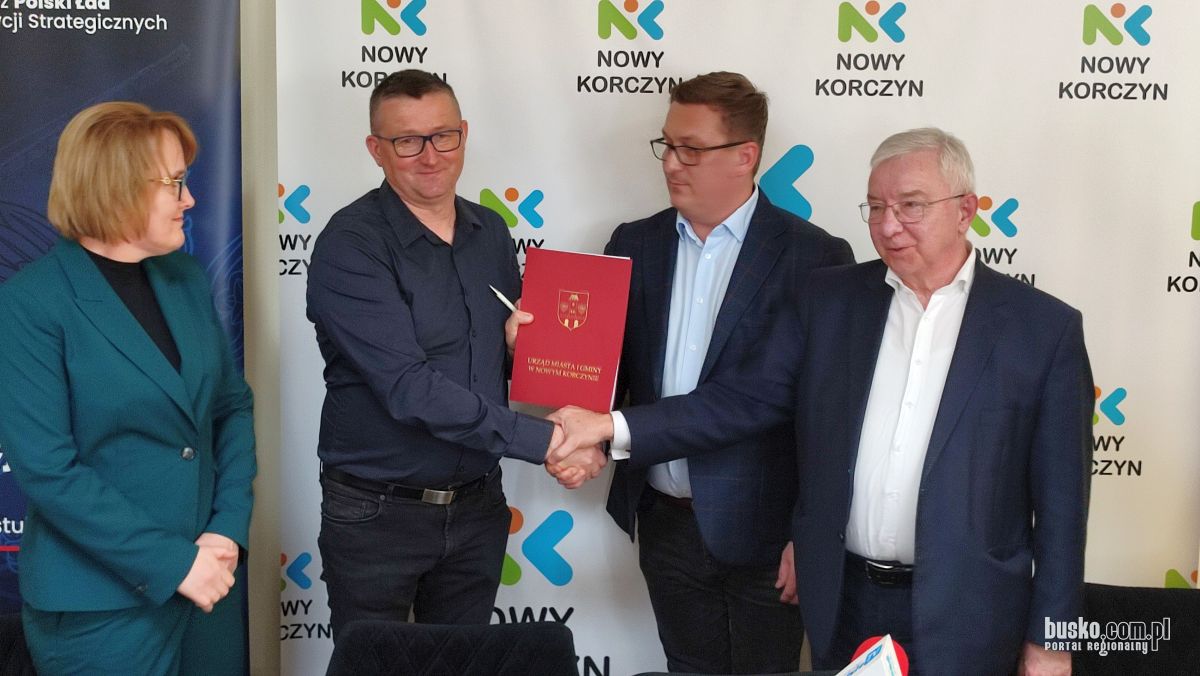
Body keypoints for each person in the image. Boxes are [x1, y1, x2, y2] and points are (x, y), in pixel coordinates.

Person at [549, 128, 1092, 675]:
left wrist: (1053, 642)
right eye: (875, 207)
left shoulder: (1043, 331)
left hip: (972, 612)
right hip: (844, 601)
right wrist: (610, 427)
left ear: (965, 210)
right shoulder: (829, 300)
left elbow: (1063, 512)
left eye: (911, 206)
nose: (888, 226)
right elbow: (742, 400)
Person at [547, 71, 853, 674]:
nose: (671, 164)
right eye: (667, 145)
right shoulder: (635, 242)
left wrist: (811, 535)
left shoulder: (816, 258)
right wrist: (537, 362)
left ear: (746, 156)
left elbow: (798, 409)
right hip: (665, 525)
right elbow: (604, 373)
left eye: (691, 149)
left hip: (768, 537)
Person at [306, 69, 605, 640]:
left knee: (464, 663)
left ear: (463, 134)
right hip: (378, 514)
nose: (430, 155)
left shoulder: (490, 231)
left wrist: (518, 351)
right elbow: (408, 387)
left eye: (443, 136)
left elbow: (488, 367)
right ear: (376, 149)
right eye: (407, 141)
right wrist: (550, 442)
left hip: (477, 509)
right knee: (374, 665)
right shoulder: (350, 244)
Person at [0, 101, 256, 674]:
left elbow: (231, 407)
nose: (190, 199)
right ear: (117, 186)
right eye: (176, 183)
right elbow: (48, 470)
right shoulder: (31, 304)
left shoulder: (184, 278)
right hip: (100, 607)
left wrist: (226, 529)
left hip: (210, 584)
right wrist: (175, 564)